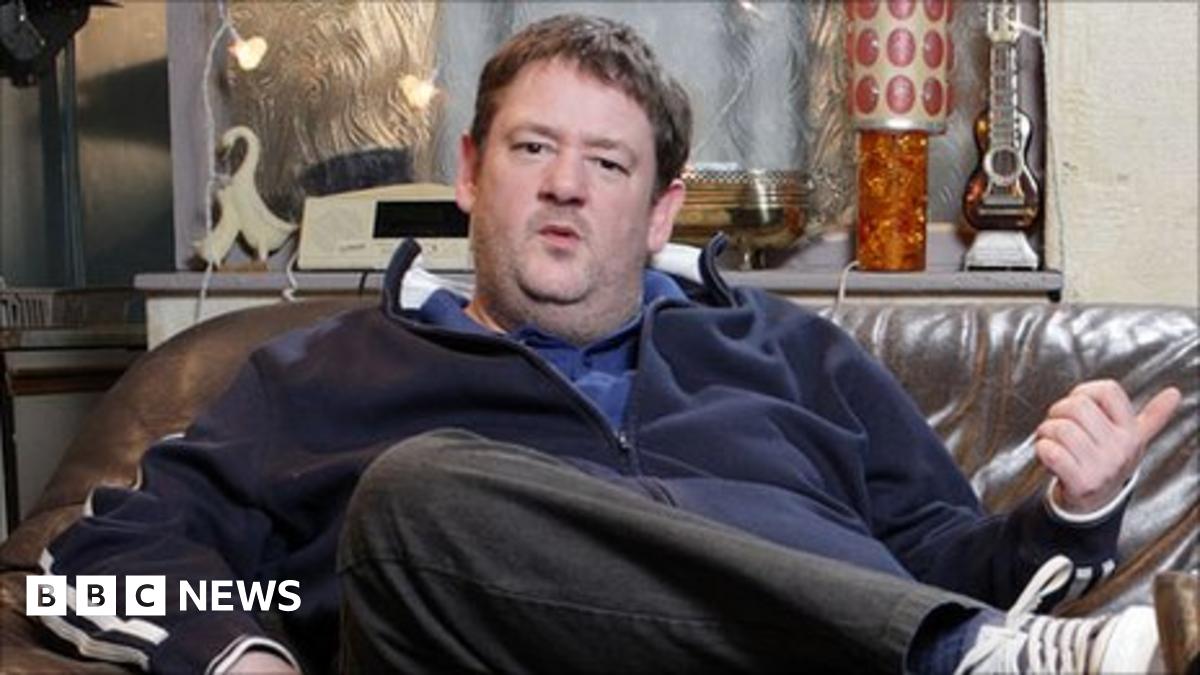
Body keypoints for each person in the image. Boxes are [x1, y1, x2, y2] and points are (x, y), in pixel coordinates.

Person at [38, 14, 1179, 675]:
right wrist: (239, 649)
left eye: (609, 163)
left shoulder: (791, 353)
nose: (567, 187)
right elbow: (96, 557)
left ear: (662, 207)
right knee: (418, 493)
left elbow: (942, 555)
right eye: (533, 149)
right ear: (472, 172)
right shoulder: (319, 374)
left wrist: (1069, 514)